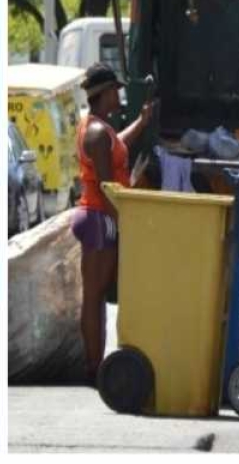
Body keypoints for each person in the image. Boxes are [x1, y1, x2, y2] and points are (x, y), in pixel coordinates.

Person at [74, 63, 155, 384]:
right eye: (115, 91)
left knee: (96, 295)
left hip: (97, 216)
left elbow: (116, 144)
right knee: (93, 297)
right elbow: (108, 187)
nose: (119, 95)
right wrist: (125, 223)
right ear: (104, 94)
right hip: (99, 217)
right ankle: (93, 368)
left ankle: (96, 363)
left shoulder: (99, 129)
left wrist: (141, 122)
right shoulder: (95, 133)